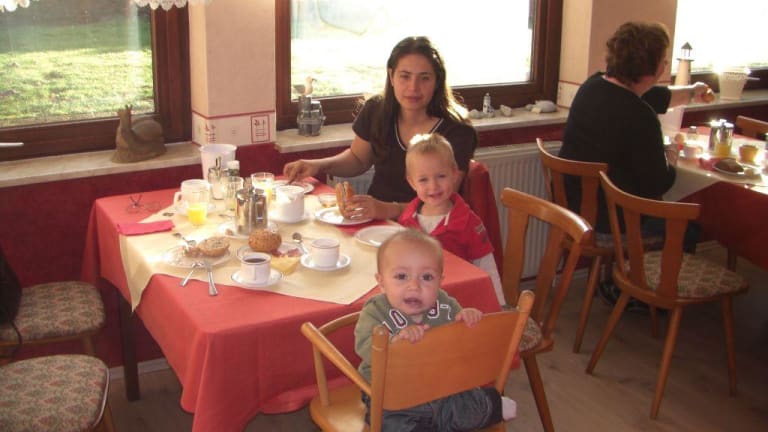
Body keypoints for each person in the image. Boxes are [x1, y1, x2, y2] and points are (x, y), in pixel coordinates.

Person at [559, 21, 711, 308]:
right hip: (607, 223)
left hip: (574, 208)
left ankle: (621, 283)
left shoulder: (593, 86)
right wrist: (671, 156)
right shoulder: (640, 117)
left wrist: (692, 91)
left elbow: (656, 97)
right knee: (689, 227)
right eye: (664, 60)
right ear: (655, 68)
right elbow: (659, 183)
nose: (665, 65)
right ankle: (644, 295)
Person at [283, 36, 477, 220]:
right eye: (405, 76)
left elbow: (442, 201)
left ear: (437, 81)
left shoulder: (458, 130)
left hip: (429, 228)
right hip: (377, 222)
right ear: (391, 76)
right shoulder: (377, 110)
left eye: (424, 78)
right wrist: (318, 165)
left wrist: (387, 209)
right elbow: (358, 159)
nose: (413, 87)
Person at [354, 229, 516, 431]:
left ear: (440, 280)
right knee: (390, 422)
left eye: (427, 277)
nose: (414, 286)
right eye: (402, 276)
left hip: (439, 384)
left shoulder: (445, 303)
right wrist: (395, 345)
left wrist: (466, 318)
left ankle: (487, 406)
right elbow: (365, 347)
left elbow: (461, 340)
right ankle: (437, 421)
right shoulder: (375, 312)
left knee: (463, 399)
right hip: (391, 392)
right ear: (381, 282)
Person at [397, 133, 505, 306]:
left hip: (459, 303)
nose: (433, 186)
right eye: (423, 179)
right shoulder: (406, 221)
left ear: (454, 174)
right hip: (419, 303)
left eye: (441, 176)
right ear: (412, 182)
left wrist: (497, 305)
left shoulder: (469, 222)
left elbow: (487, 267)